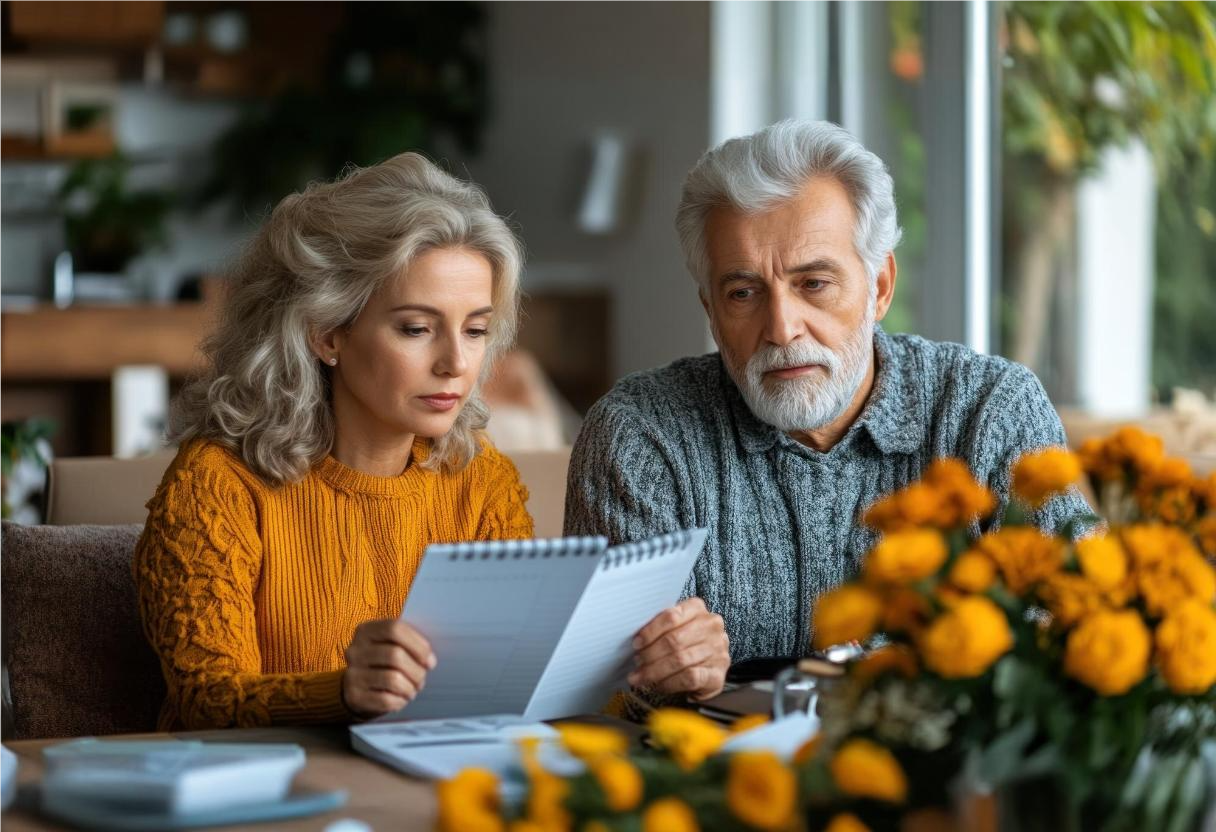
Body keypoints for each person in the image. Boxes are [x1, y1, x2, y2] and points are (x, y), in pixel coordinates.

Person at [565, 120, 1091, 688]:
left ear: (880, 286)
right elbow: (604, 693)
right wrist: (660, 679)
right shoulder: (640, 435)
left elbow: (1072, 633)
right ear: (711, 311)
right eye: (743, 293)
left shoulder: (991, 410)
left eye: (813, 283)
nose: (782, 328)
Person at [133, 153, 535, 730]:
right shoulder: (217, 485)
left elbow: (515, 679)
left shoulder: (482, 481)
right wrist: (344, 692)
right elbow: (207, 701)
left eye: (475, 330)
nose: (456, 363)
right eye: (417, 329)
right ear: (326, 334)